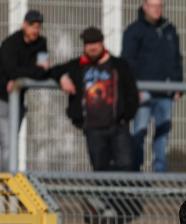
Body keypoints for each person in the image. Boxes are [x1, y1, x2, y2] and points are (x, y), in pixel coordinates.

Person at [52, 27, 138, 172]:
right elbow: (53, 71)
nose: (92, 47)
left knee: (126, 165)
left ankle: (123, 194)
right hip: (93, 129)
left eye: (95, 43)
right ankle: (105, 195)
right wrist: (61, 78)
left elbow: (132, 92)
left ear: (102, 43)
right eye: (88, 43)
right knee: (100, 168)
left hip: (118, 126)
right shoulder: (78, 65)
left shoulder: (119, 65)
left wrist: (125, 117)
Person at [122, 0, 183, 172]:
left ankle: (159, 174)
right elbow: (128, 61)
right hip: (143, 92)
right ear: (145, 7)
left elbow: (177, 59)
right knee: (139, 132)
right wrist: (134, 89)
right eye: (154, 6)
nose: (158, 9)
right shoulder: (134, 31)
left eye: (160, 6)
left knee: (163, 134)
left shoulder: (169, 30)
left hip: (165, 93)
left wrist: (178, 85)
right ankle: (135, 173)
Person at [0, 9, 49, 169]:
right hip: (2, 99)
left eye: (38, 26)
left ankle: (5, 181)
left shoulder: (41, 43)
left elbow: (44, 70)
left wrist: (19, 77)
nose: (35, 30)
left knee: (10, 142)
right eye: (32, 26)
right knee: (7, 143)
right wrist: (31, 71)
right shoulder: (10, 43)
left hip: (17, 100)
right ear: (24, 25)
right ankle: (6, 181)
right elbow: (10, 70)